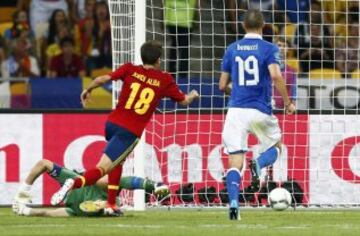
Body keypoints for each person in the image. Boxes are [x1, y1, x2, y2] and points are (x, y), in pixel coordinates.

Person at [51, 40, 199, 216]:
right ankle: (74, 183)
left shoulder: (130, 69)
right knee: (103, 168)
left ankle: (111, 204)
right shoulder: (164, 79)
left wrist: (88, 89)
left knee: (118, 162)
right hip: (129, 132)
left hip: (112, 124)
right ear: (159, 60)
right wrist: (192, 95)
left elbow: (103, 78)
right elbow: (183, 101)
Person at [219, 9, 295, 220]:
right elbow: (276, 76)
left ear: (243, 26)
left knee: (235, 161)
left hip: (235, 111)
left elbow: (222, 85)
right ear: (263, 26)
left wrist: (238, 91)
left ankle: (234, 204)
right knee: (277, 146)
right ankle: (259, 164)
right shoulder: (268, 48)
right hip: (260, 109)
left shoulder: (232, 48)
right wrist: (288, 102)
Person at [12, 159, 169, 217]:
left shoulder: (73, 209)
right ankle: (106, 207)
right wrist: (151, 186)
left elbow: (46, 212)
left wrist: (24, 208)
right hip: (82, 195)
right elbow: (125, 181)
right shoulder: (110, 185)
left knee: (44, 164)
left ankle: (22, 202)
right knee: (111, 190)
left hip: (78, 192)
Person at [163, 0, 197, 78]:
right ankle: (183, 74)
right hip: (186, 21)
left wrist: (163, 19)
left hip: (172, 20)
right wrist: (196, 20)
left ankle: (172, 72)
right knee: (184, 49)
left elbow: (165, 3)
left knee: (174, 45)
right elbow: (197, 6)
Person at [273, 37, 296, 108]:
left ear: (288, 49)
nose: (282, 48)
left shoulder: (291, 70)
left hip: (285, 107)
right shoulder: (267, 68)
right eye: (279, 45)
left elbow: (293, 90)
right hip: (270, 107)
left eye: (284, 46)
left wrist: (293, 103)